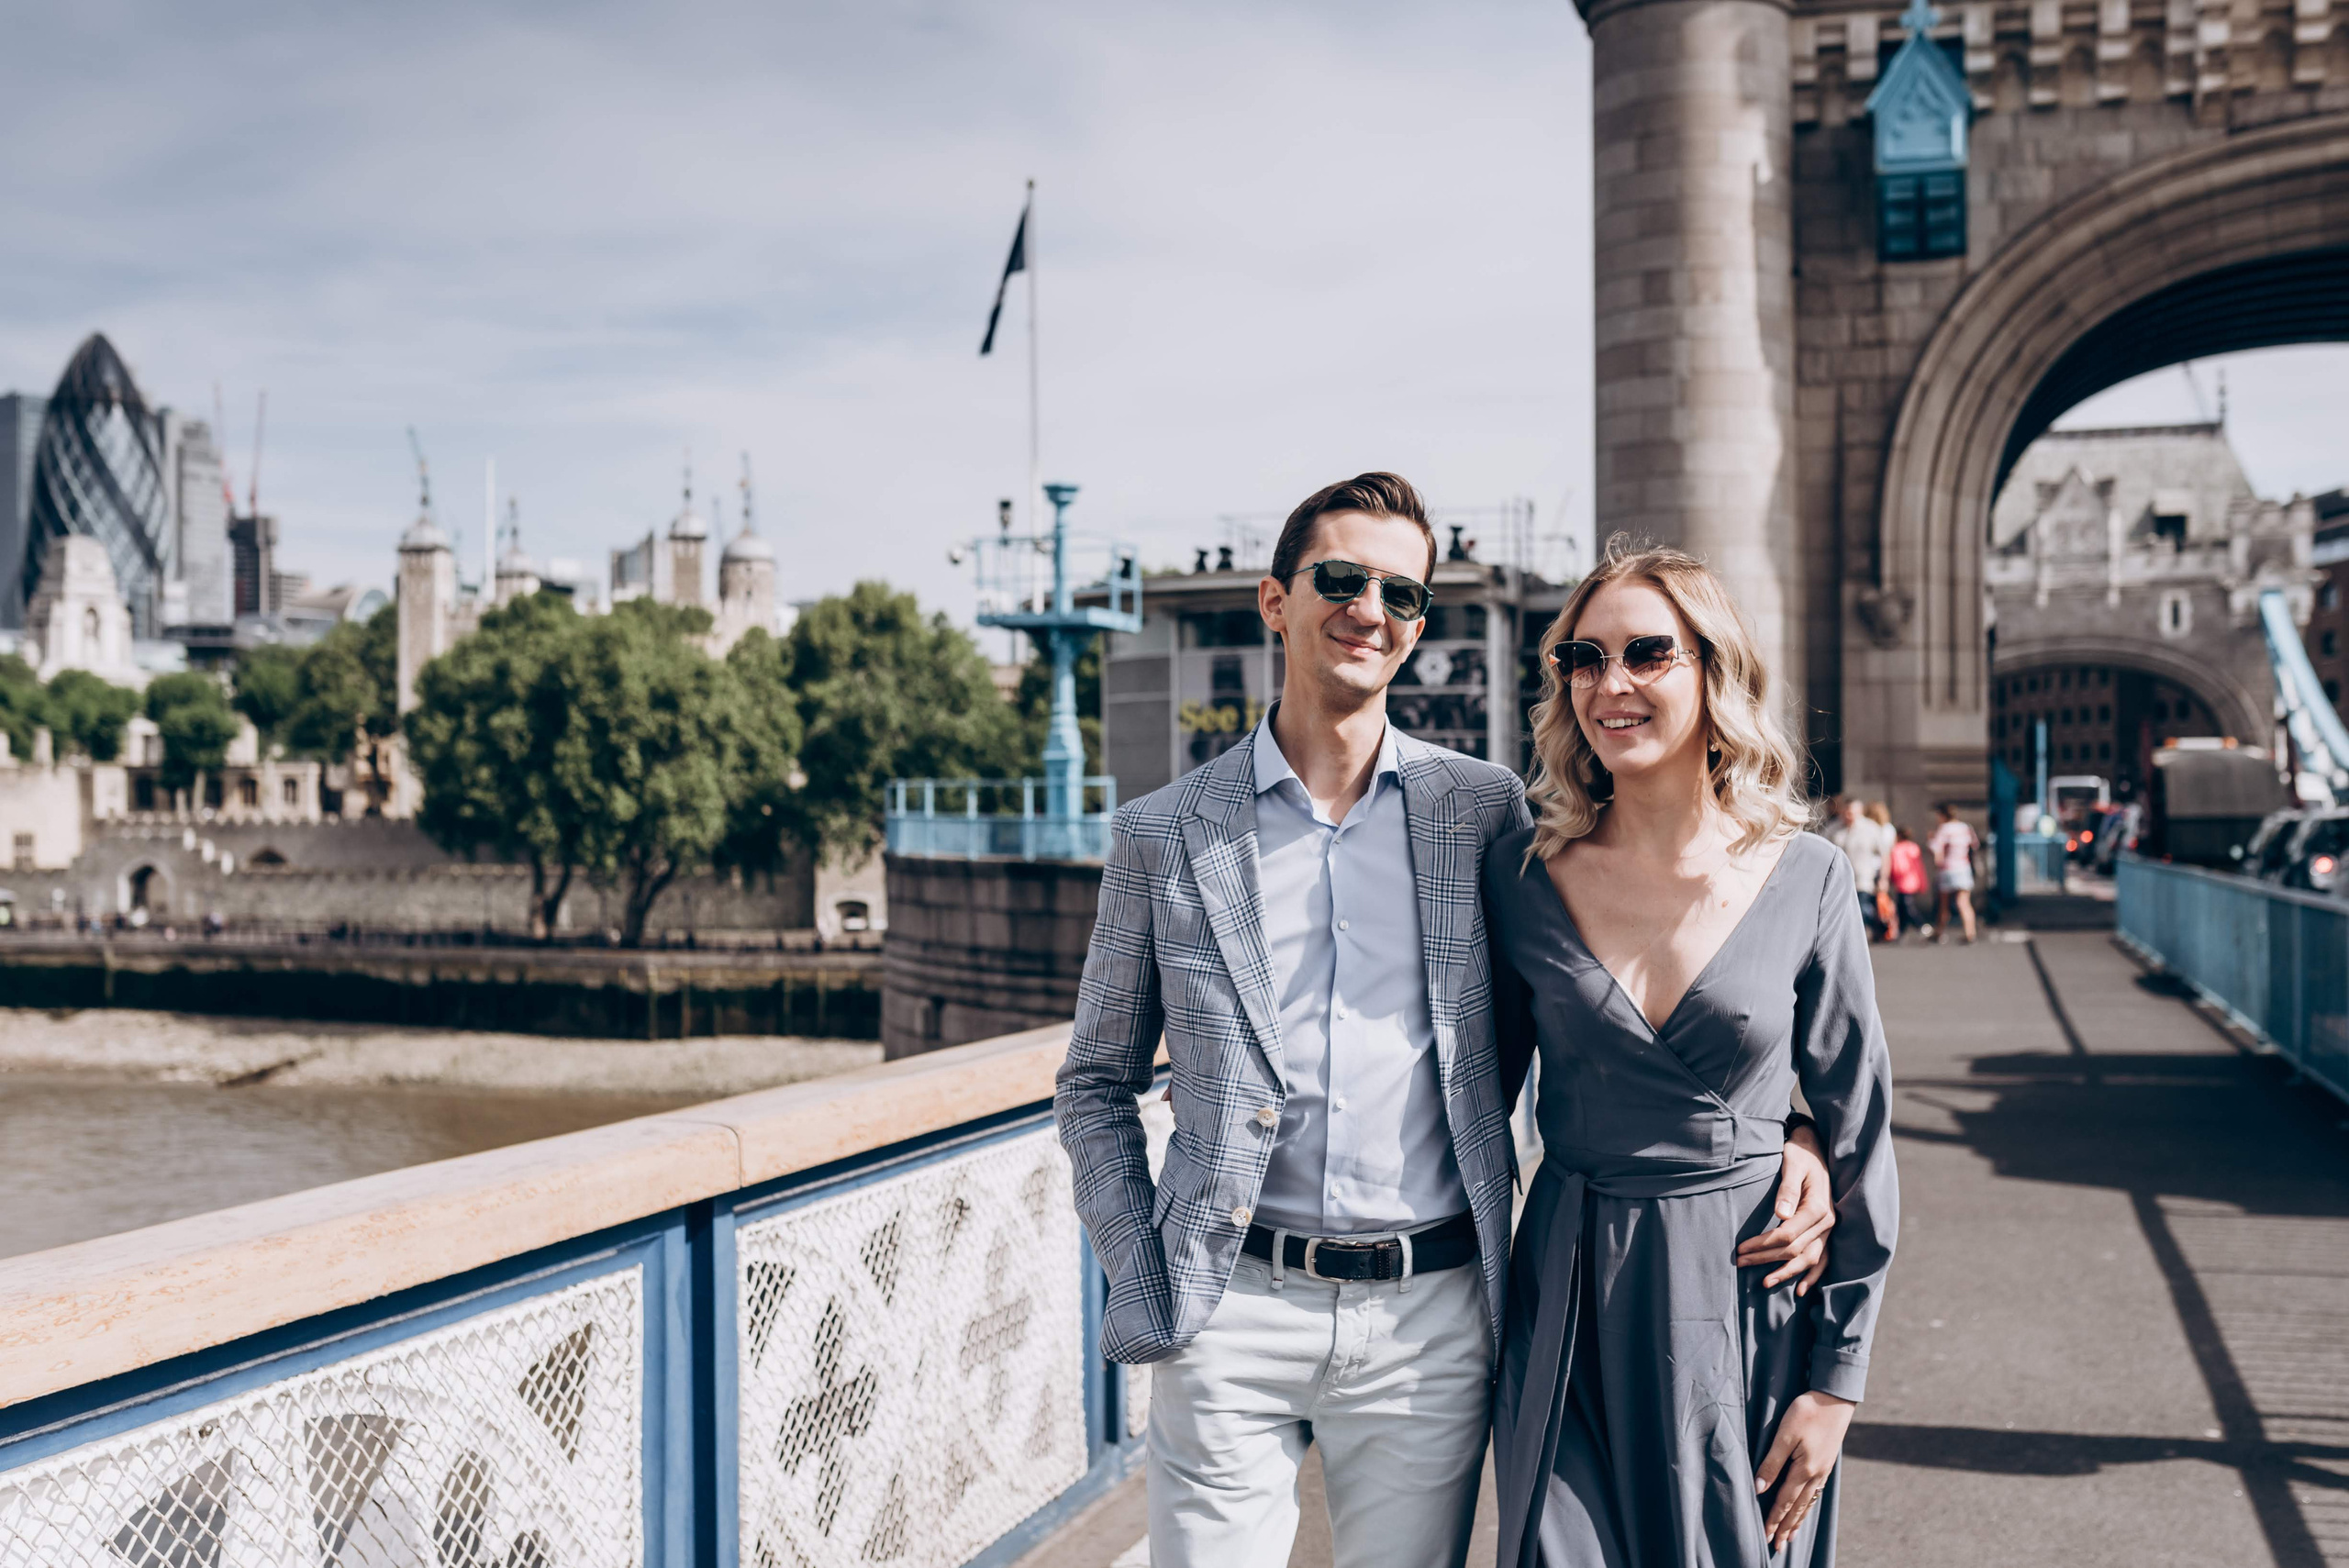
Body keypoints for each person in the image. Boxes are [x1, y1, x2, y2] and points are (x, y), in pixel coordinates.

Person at [1054, 478, 1837, 1568]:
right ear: (1275, 601)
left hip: (1431, 1311)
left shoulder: (1483, 816)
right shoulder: (1163, 832)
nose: (1370, 608)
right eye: (1340, 579)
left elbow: (1599, 1014)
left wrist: (1796, 1132)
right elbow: (1094, 1080)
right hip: (1229, 1303)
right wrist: (1136, 1266)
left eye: (1402, 593)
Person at [1484, 540, 1898, 1567]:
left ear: (1713, 672)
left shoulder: (1807, 876)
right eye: (1582, 657)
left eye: (1645, 654)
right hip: (1570, 1297)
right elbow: (1463, 1098)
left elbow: (1861, 1129)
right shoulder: (1521, 876)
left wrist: (1835, 1382)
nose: (1607, 684)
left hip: (1746, 1297)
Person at [1820, 795, 1891, 940]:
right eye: (1845, 812)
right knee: (1844, 910)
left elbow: (1885, 854)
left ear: (1860, 812)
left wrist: (1884, 878)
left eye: (1851, 813)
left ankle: (1860, 936)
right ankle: (1853, 936)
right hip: (1839, 879)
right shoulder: (1834, 828)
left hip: (1863, 878)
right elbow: (1822, 849)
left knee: (1862, 908)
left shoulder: (1871, 828)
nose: (1848, 816)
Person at [1929, 802, 1980, 944]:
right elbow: (1974, 845)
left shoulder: (1944, 829)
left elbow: (1936, 849)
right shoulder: (1966, 827)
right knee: (1964, 902)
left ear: (1943, 815)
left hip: (1948, 870)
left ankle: (1939, 932)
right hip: (1963, 868)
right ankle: (1970, 932)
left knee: (1944, 904)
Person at [1886, 824, 1931, 940]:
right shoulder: (1914, 847)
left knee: (1907, 907)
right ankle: (1901, 931)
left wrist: (1890, 879)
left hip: (1903, 882)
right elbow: (1919, 867)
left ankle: (1921, 925)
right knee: (1902, 907)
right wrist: (1922, 882)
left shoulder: (1897, 849)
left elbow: (1898, 868)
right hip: (1913, 880)